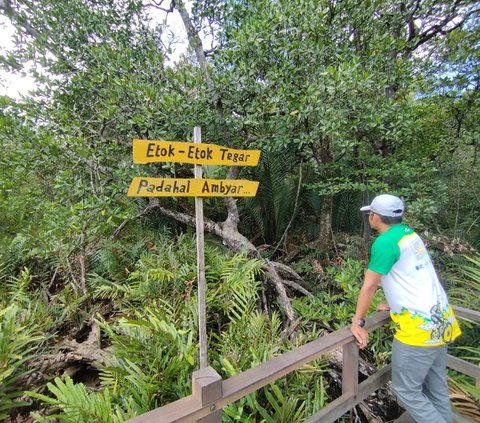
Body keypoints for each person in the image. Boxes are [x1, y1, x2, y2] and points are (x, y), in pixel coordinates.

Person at [350, 194, 461, 423]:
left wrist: (357, 322)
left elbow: (370, 285)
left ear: (375, 217)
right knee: (436, 389)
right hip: (441, 321)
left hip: (419, 330)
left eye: (370, 214)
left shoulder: (384, 243)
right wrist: (393, 304)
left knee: (406, 391)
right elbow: (413, 274)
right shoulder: (409, 234)